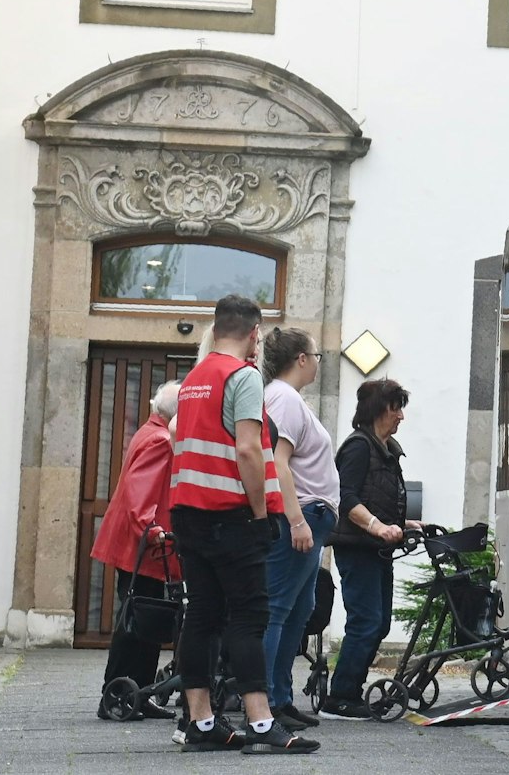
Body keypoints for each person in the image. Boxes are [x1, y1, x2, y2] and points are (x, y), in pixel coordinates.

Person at [167, 295, 319, 754]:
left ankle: (201, 722)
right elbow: (249, 449)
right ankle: (261, 724)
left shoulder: (194, 379)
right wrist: (259, 513)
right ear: (255, 334)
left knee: (202, 616)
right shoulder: (243, 376)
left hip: (188, 512)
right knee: (250, 616)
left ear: (215, 330)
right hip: (230, 514)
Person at [319, 378, 418, 721]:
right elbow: (345, 497)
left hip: (376, 549)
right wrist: (377, 526)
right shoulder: (359, 447)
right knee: (366, 621)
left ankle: (350, 690)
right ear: (378, 410)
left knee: (379, 623)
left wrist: (403, 524)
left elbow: (377, 497)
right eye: (396, 408)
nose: (401, 416)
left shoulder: (385, 449)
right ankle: (340, 697)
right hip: (357, 548)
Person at [258, 326, 339, 731]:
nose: (318, 364)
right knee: (278, 609)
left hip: (309, 517)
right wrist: (296, 520)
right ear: (302, 359)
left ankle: (280, 697)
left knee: (298, 609)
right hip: (301, 516)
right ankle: (266, 701)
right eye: (316, 356)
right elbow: (277, 462)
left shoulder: (288, 398)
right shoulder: (285, 398)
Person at [89, 380, 183, 719]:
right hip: (143, 547)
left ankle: (137, 693)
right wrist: (151, 528)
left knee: (143, 620)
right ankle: (117, 694)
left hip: (140, 546)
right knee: (136, 622)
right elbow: (139, 491)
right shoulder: (160, 440)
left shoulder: (149, 431)